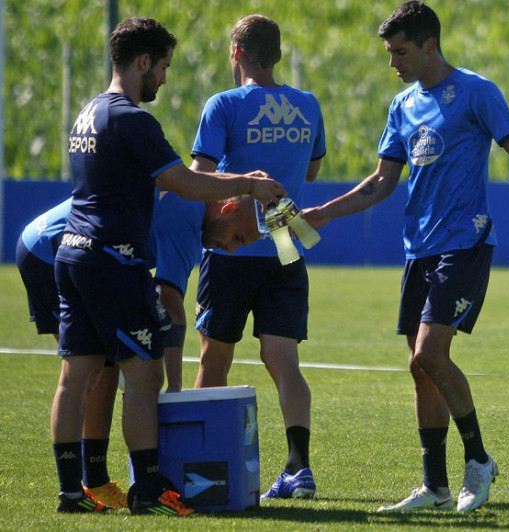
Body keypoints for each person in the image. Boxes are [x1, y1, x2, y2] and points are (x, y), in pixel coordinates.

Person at [302, 0, 509, 513]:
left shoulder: (476, 92)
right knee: (420, 370)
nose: (392, 63)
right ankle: (435, 487)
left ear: (429, 45)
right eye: (389, 53)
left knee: (429, 355)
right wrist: (325, 213)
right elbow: (380, 182)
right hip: (418, 249)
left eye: (399, 52)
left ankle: (480, 460)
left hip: (464, 242)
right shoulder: (403, 106)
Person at [52, 16, 284, 516]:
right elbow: (184, 182)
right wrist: (247, 184)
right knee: (143, 372)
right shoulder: (132, 118)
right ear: (142, 62)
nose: (163, 78)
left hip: (72, 253)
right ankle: (149, 489)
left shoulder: (88, 112)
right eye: (161, 67)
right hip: (113, 258)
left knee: (78, 375)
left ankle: (72, 491)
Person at [17, 192, 261, 509]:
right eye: (238, 237)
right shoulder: (187, 217)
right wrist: (173, 392)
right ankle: (83, 490)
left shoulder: (191, 209)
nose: (232, 248)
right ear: (227, 208)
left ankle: (94, 483)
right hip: (50, 253)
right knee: (87, 371)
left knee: (102, 370)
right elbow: (171, 304)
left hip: (52, 245)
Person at [189, 14, 326, 500]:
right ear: (279, 55)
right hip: (286, 240)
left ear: (236, 54)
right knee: (284, 360)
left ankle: (200, 468)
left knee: (214, 358)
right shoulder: (307, 105)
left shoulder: (223, 104)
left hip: (234, 245)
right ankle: (299, 468)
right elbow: (311, 165)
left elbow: (200, 175)